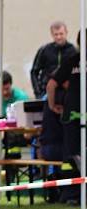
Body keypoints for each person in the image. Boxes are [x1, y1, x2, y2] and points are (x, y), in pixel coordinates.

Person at [32, 22, 74, 170]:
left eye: (61, 34)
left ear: (66, 32)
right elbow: (34, 71)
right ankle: (40, 169)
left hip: (67, 95)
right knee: (43, 129)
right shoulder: (45, 50)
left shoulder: (73, 52)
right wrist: (39, 92)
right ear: (52, 35)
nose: (59, 37)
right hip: (48, 94)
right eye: (56, 34)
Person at [47, 35, 82, 205]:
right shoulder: (72, 60)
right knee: (71, 158)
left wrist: (53, 105)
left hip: (72, 117)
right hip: (73, 118)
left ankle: (72, 195)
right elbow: (52, 84)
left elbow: (51, 84)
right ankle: (72, 194)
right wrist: (53, 105)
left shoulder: (72, 60)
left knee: (72, 157)